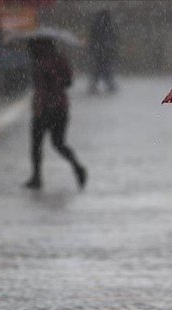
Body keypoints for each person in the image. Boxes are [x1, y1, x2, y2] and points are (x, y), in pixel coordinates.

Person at [25, 38, 86, 190]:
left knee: (36, 144)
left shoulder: (39, 63)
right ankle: (77, 167)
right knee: (59, 143)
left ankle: (37, 177)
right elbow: (69, 82)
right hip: (61, 107)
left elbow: (39, 87)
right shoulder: (61, 59)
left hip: (43, 108)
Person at [87, 9, 118, 94]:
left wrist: (92, 48)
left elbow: (92, 37)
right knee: (106, 68)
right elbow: (113, 36)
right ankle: (109, 84)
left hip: (98, 50)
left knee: (98, 68)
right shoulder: (109, 24)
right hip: (106, 50)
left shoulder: (96, 24)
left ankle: (94, 85)